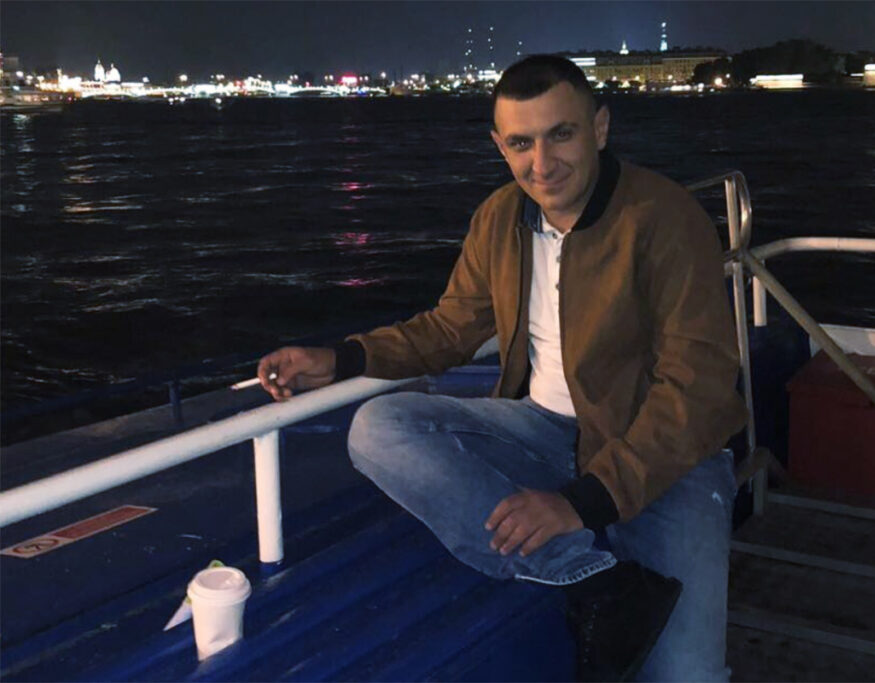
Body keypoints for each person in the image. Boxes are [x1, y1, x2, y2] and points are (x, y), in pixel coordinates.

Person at [258, 55, 746, 682]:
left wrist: (583, 502)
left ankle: (601, 578)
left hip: (666, 460)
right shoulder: (500, 218)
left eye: (560, 134)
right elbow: (451, 328)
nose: (541, 164)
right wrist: (343, 358)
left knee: (687, 678)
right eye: (521, 143)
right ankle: (597, 583)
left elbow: (696, 389)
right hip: (543, 432)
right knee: (380, 427)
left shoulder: (663, 218)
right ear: (499, 146)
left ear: (600, 128)